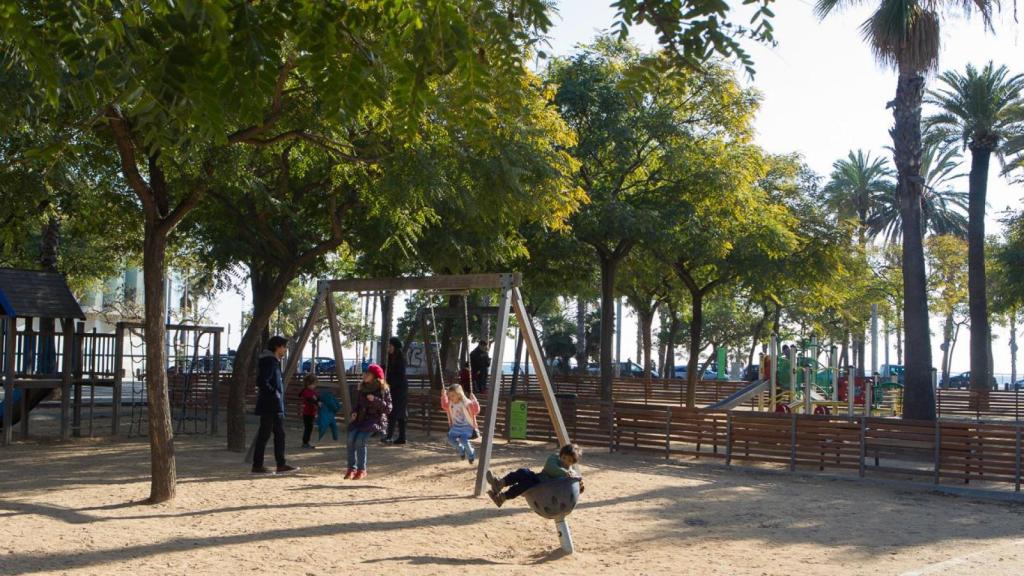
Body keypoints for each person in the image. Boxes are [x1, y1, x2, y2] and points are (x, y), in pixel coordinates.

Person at [252, 335, 299, 474]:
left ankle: (277, 464)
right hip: (271, 404)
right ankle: (262, 465)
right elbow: (262, 381)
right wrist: (274, 394)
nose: (285, 350)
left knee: (276, 434)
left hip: (272, 404)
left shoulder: (272, 361)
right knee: (268, 435)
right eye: (284, 347)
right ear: (277, 347)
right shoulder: (270, 362)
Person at [485, 444, 584, 508]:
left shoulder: (571, 472)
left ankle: (502, 498)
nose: (565, 461)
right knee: (523, 471)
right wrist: (564, 473)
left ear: (573, 463)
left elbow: (575, 483)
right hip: (538, 479)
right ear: (560, 455)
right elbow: (550, 468)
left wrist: (580, 485)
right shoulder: (554, 458)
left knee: (525, 485)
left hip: (544, 491)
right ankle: (500, 483)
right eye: (564, 457)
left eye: (570, 461)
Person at [345, 364, 392, 480]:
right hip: (361, 419)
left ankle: (362, 469)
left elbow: (388, 409)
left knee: (360, 440)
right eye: (364, 373)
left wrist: (375, 400)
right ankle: (351, 468)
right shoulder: (363, 388)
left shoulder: (383, 390)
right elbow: (357, 404)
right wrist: (354, 412)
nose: (364, 375)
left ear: (375, 376)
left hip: (375, 420)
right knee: (350, 439)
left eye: (367, 374)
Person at [440, 384, 480, 464]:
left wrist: (474, 400)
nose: (450, 398)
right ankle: (461, 449)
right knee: (451, 440)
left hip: (467, 427)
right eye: (449, 396)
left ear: (459, 395)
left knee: (463, 440)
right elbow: (444, 406)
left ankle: (471, 454)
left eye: (452, 396)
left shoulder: (467, 403)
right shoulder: (450, 404)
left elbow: (476, 411)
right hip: (456, 427)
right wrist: (443, 396)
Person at [384, 337, 408, 445]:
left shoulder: (400, 359)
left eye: (390, 346)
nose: (388, 348)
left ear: (395, 347)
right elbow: (388, 370)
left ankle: (389, 436)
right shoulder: (390, 357)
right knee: (400, 413)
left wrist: (391, 384)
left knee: (394, 411)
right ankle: (402, 437)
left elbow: (400, 376)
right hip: (393, 387)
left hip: (400, 388)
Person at [299, 373, 319, 449]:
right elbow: (309, 399)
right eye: (313, 384)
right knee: (308, 428)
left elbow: (316, 398)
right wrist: (316, 403)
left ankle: (306, 442)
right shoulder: (306, 391)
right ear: (309, 384)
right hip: (307, 413)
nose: (315, 386)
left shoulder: (313, 391)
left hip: (312, 412)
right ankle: (305, 443)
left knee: (309, 428)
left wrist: (319, 401)